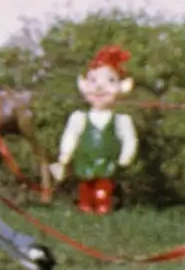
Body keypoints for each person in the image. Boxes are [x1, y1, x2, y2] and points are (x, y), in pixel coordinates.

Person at [50, 47, 139, 212]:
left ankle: (102, 209)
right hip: (84, 163)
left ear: (123, 86)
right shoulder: (79, 117)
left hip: (107, 164)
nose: (99, 87)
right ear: (83, 85)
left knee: (103, 190)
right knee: (85, 188)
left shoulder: (121, 120)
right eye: (93, 80)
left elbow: (129, 138)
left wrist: (126, 155)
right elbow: (71, 136)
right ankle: (85, 209)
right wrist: (65, 154)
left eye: (110, 81)